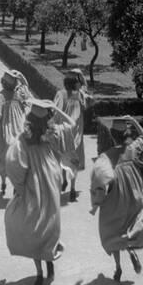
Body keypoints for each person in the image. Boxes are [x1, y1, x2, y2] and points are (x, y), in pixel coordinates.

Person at [4, 98, 76, 285]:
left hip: (33, 183)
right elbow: (72, 124)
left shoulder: (22, 139)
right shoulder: (52, 133)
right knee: (50, 221)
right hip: (51, 179)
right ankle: (50, 260)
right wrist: (55, 109)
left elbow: (14, 164)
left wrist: (19, 186)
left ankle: (39, 273)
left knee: (34, 224)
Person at [90, 116, 143, 282]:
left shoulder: (106, 156)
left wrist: (97, 200)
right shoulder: (132, 148)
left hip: (116, 195)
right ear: (127, 135)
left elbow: (99, 180)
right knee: (134, 220)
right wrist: (133, 120)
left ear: (112, 136)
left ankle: (118, 268)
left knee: (112, 227)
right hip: (134, 192)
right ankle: (131, 247)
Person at [0, 70, 32, 196]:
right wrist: (21, 76)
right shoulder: (18, 95)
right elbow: (27, 91)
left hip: (4, 132)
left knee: (3, 156)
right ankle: (13, 183)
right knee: (16, 157)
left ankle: (3, 182)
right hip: (15, 130)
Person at [53, 68, 93, 202]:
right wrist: (81, 75)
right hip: (76, 133)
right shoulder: (80, 95)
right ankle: (73, 188)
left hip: (64, 132)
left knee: (63, 157)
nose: (79, 83)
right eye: (78, 81)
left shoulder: (60, 94)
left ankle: (64, 180)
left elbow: (55, 111)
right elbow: (88, 91)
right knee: (74, 160)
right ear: (75, 83)